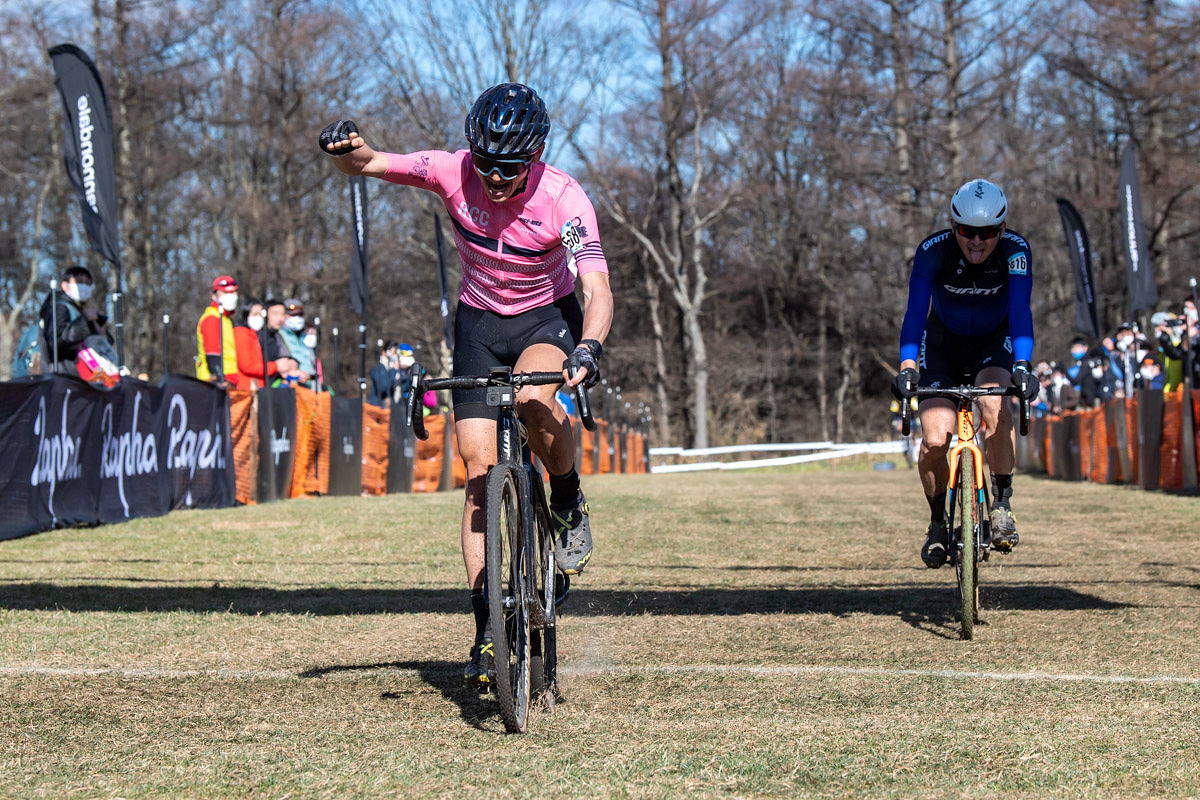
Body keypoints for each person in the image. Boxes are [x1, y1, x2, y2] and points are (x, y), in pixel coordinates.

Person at [321, 82, 613, 689]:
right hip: (478, 322)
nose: (496, 177)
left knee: (535, 400)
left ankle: (564, 495)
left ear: (533, 157)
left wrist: (589, 344)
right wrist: (344, 146)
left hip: (545, 318)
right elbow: (370, 162)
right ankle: (487, 628)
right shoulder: (451, 171)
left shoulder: (564, 197)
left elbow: (595, 289)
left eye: (509, 167)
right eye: (486, 164)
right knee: (478, 475)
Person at [892, 178, 1037, 568]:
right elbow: (914, 314)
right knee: (935, 438)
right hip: (942, 345)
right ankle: (938, 522)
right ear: (953, 227)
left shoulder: (1015, 251)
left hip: (994, 343)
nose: (977, 241)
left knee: (994, 405)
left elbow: (1021, 313)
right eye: (967, 232)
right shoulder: (931, 251)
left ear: (1002, 229)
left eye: (988, 232)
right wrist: (907, 366)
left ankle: (1002, 504)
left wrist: (1022, 364)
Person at [39, 265, 113, 377]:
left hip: (76, 374)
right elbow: (56, 343)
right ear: (65, 285)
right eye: (79, 281)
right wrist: (85, 321)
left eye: (88, 283)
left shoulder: (78, 309)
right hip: (62, 375)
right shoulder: (58, 307)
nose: (84, 286)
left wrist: (101, 333)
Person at [195, 275, 240, 387]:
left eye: (233, 293)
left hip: (230, 378)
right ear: (214, 296)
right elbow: (212, 354)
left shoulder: (226, 319)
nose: (231, 296)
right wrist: (219, 379)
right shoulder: (212, 318)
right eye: (225, 293)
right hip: (216, 382)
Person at [278, 298, 316, 389]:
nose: (296, 318)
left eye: (299, 315)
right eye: (292, 315)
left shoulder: (305, 336)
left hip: (311, 384)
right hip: (292, 384)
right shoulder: (279, 334)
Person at [260, 299, 300, 384]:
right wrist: (277, 366)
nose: (280, 318)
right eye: (275, 314)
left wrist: (293, 363)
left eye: (282, 314)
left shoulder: (278, 335)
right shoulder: (258, 336)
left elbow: (284, 356)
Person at [369, 340, 398, 407]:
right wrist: (394, 370)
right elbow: (383, 388)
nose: (394, 356)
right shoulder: (379, 369)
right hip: (379, 410)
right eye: (392, 352)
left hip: (391, 410)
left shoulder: (395, 370)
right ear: (384, 353)